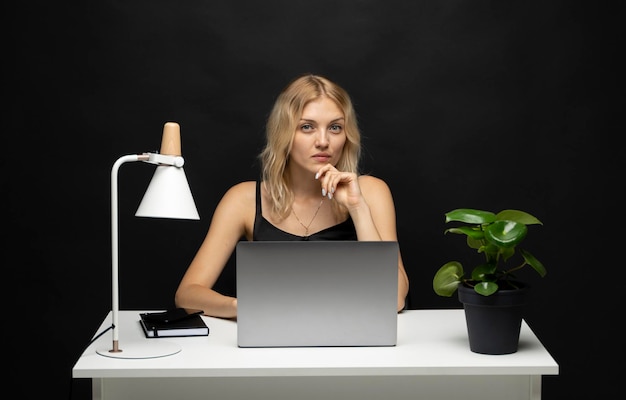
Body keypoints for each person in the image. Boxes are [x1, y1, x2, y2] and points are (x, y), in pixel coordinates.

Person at [175, 73, 409, 319]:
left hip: (358, 344)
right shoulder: (243, 199)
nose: (323, 141)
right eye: (307, 127)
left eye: (335, 127)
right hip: (272, 343)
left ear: (346, 136)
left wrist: (358, 209)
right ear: (284, 133)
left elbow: (393, 299)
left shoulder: (371, 192)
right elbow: (187, 295)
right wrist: (243, 307)